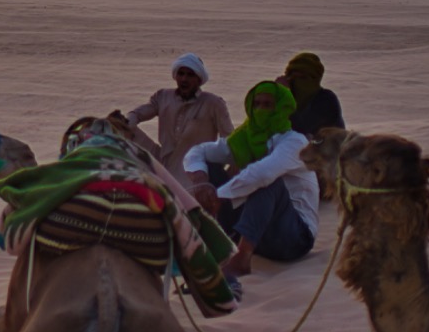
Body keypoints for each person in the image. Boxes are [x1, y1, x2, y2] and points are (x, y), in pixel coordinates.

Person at [183, 81, 318, 276]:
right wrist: (200, 181)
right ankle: (217, 240)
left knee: (268, 182)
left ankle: (242, 258)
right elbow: (198, 151)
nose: (260, 110)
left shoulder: (294, 141)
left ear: (281, 108)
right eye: (257, 104)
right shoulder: (244, 138)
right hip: (255, 232)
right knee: (209, 168)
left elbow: (263, 174)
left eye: (267, 105)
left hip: (293, 237)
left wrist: (218, 195)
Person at [125, 53, 232, 192]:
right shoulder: (163, 97)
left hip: (194, 170)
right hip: (162, 161)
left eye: (190, 75)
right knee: (120, 126)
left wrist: (215, 169)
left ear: (199, 79)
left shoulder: (213, 103)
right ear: (175, 76)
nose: (184, 79)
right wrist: (126, 122)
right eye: (181, 74)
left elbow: (228, 138)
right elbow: (137, 114)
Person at [280, 52, 343, 139]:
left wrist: (285, 96)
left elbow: (301, 129)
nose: (297, 82)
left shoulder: (326, 99)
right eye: (291, 77)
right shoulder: (277, 97)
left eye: (303, 78)